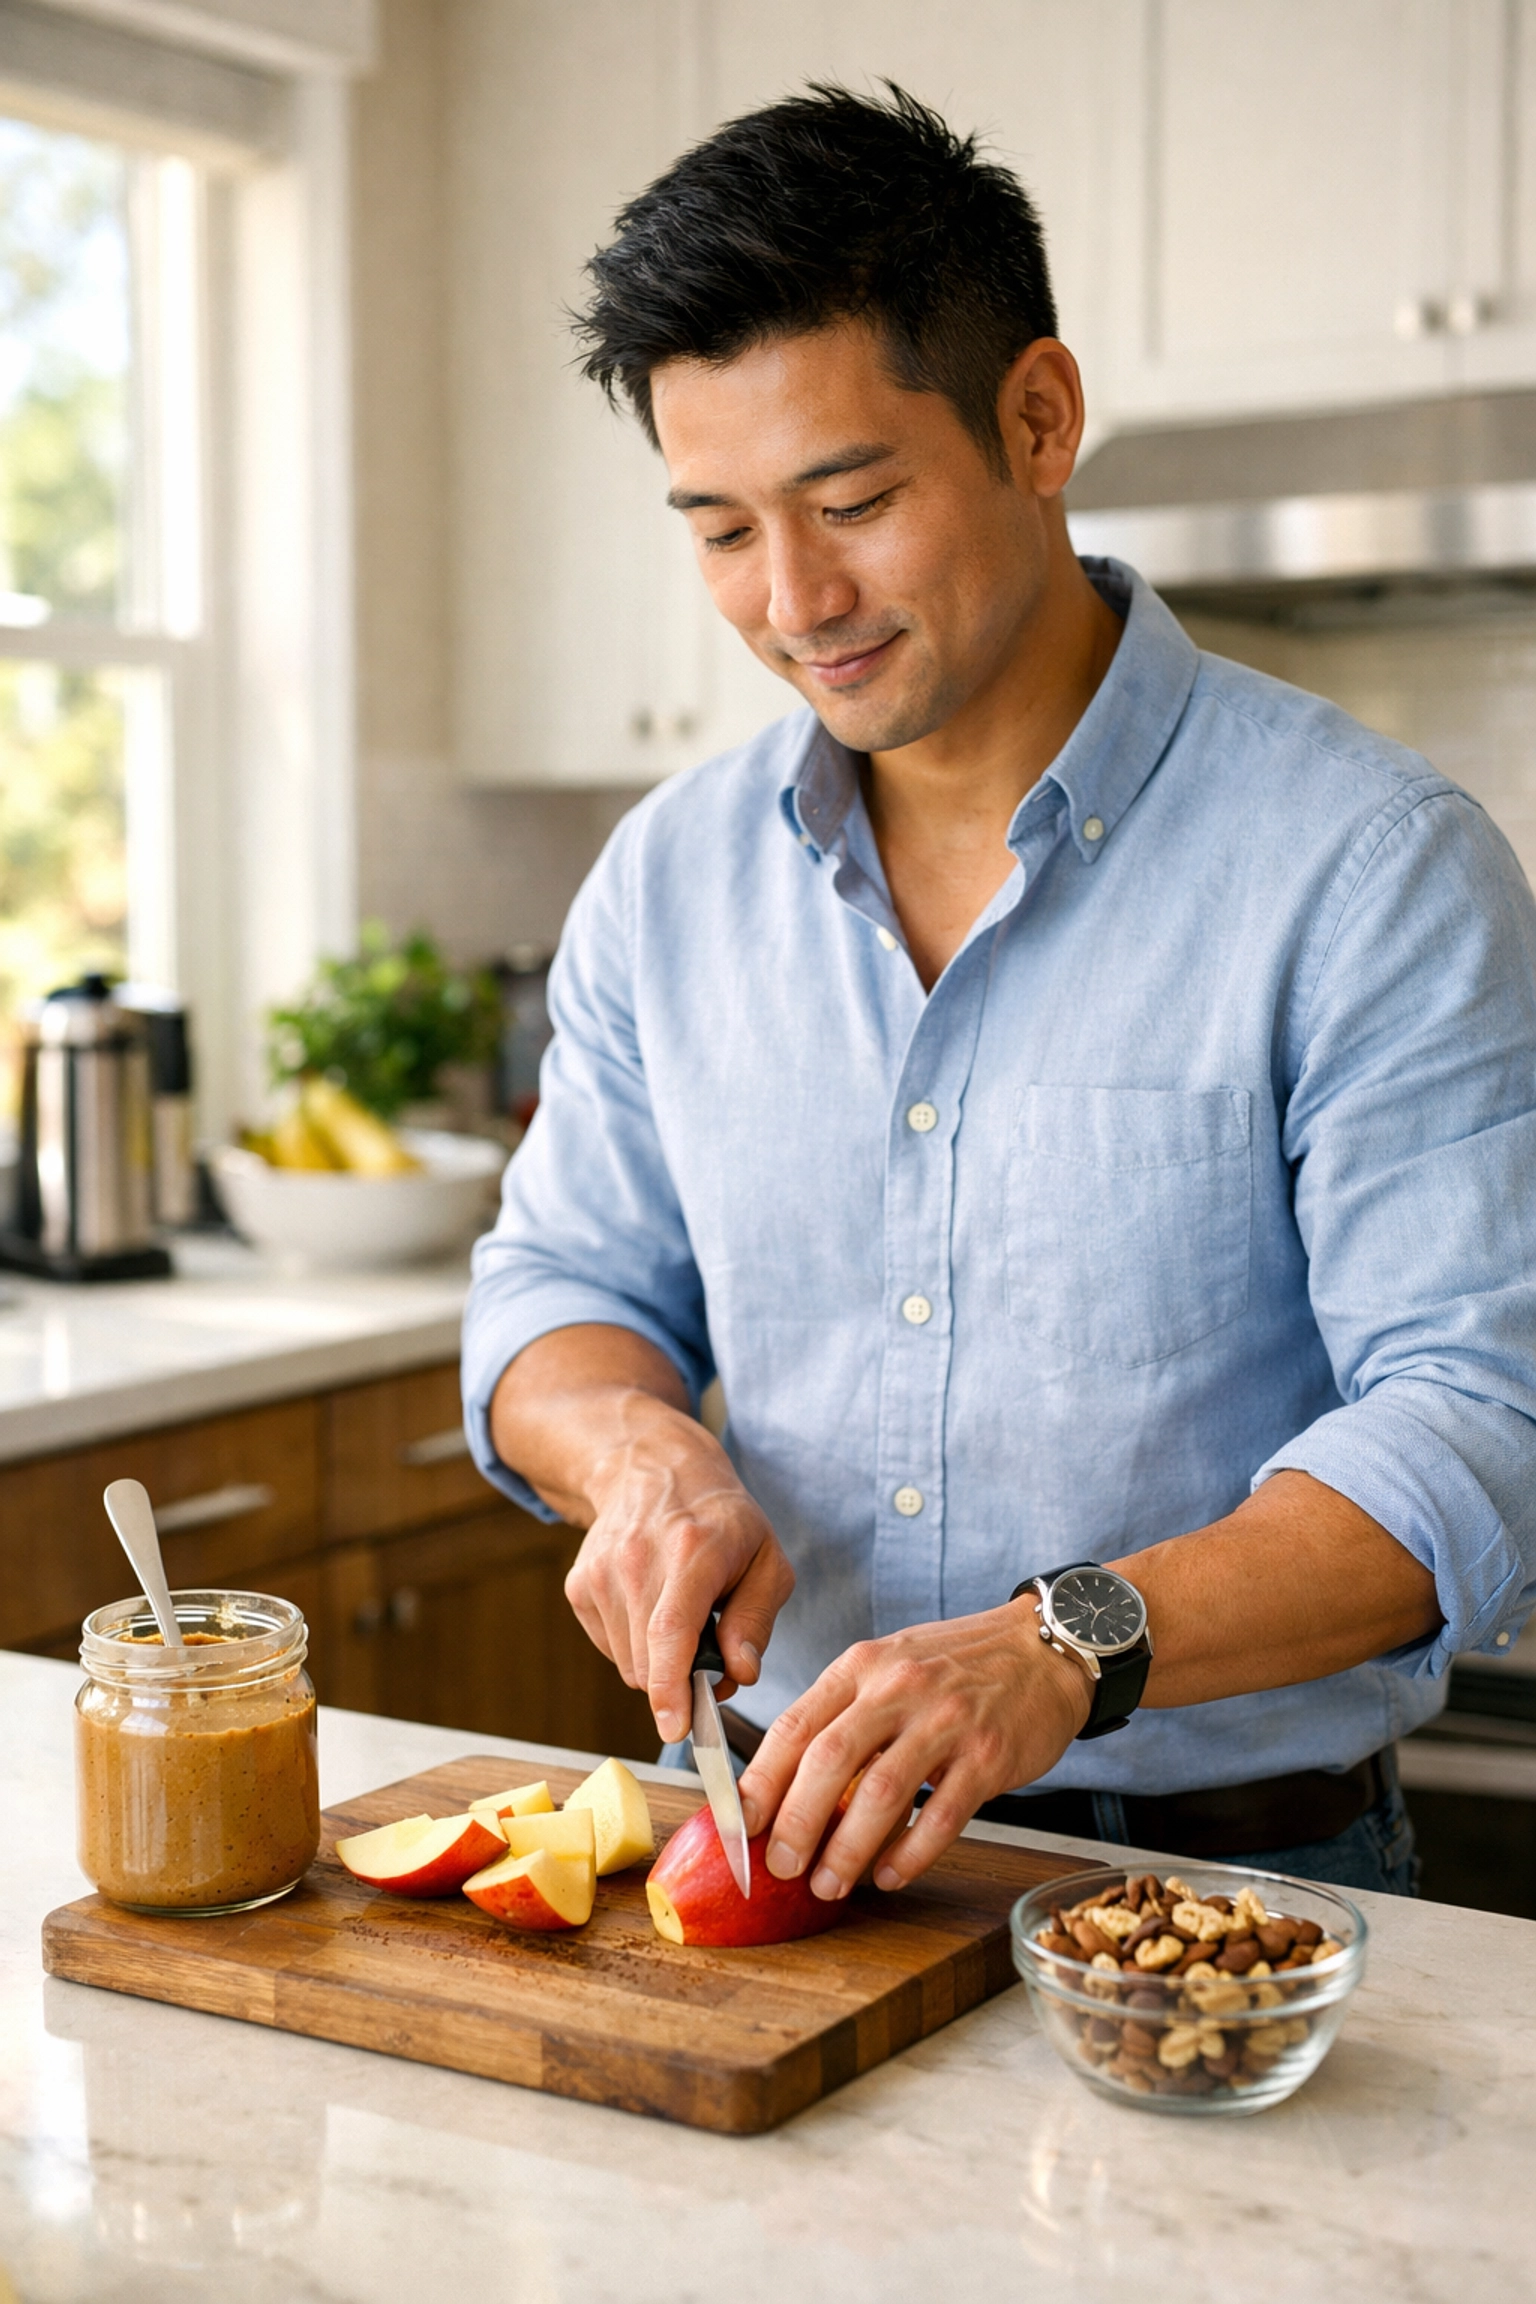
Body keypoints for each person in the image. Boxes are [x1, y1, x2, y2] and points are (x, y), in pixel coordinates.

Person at [463, 83, 1536, 1902]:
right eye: (720, 529)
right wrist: (635, 1449)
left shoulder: (1371, 866)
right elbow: (558, 1290)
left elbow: (1481, 1418)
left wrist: (1061, 1649)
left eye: (854, 500)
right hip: (770, 1861)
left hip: (1227, 1896)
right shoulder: (668, 878)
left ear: (1038, 420)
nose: (794, 598)